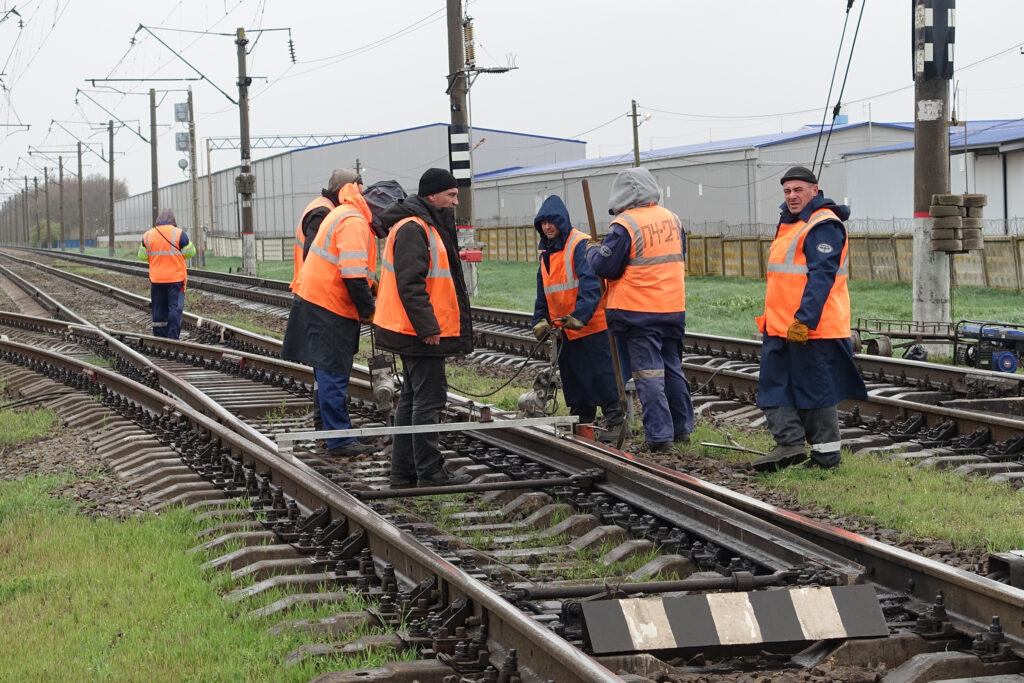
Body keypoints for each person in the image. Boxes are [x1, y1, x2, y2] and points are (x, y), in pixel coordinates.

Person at [753, 166, 868, 471]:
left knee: (815, 393)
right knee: (774, 388)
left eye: (798, 190)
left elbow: (822, 277)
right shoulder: (792, 223)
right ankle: (789, 444)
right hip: (780, 326)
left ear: (814, 191)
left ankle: (826, 459)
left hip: (811, 328)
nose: (791, 196)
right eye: (787, 191)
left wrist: (804, 321)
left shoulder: (823, 225)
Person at [373, 168, 474, 488]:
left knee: (414, 399)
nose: (456, 201)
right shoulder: (415, 228)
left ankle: (404, 472)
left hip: (410, 328)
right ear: (432, 196)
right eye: (451, 195)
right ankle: (429, 472)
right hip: (417, 331)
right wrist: (428, 327)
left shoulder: (422, 225)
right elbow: (410, 284)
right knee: (428, 400)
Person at [586, 167, 693, 452]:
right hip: (672, 308)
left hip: (638, 311)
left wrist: (591, 251)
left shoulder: (626, 224)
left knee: (649, 375)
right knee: (672, 369)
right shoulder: (673, 219)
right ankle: (682, 430)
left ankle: (659, 437)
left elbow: (605, 266)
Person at [282, 176, 377, 457]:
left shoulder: (338, 212)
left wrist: (371, 284)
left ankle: (329, 431)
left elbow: (343, 263)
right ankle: (339, 439)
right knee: (333, 372)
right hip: (328, 304)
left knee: (326, 373)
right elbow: (350, 273)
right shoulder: (351, 220)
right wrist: (368, 310)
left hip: (318, 299)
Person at [530, 194, 623, 441]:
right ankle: (583, 422)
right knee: (574, 377)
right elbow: (544, 292)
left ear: (562, 221)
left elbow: (590, 283)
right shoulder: (546, 254)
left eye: (552, 222)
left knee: (601, 375)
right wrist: (539, 320)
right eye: (543, 223)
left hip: (591, 325)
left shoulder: (579, 244)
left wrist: (580, 316)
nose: (547, 227)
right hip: (565, 329)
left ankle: (615, 421)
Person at [291, 168, 360, 290]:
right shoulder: (323, 212)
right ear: (344, 190)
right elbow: (311, 254)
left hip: (310, 286)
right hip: (313, 289)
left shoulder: (326, 207)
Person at [138, 208, 196, 339]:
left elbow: (142, 256)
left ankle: (159, 338)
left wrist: (155, 258)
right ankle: (172, 338)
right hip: (176, 280)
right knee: (174, 309)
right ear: (173, 221)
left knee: (158, 310)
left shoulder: (147, 235)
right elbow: (191, 252)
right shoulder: (180, 234)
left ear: (157, 221)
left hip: (157, 279)